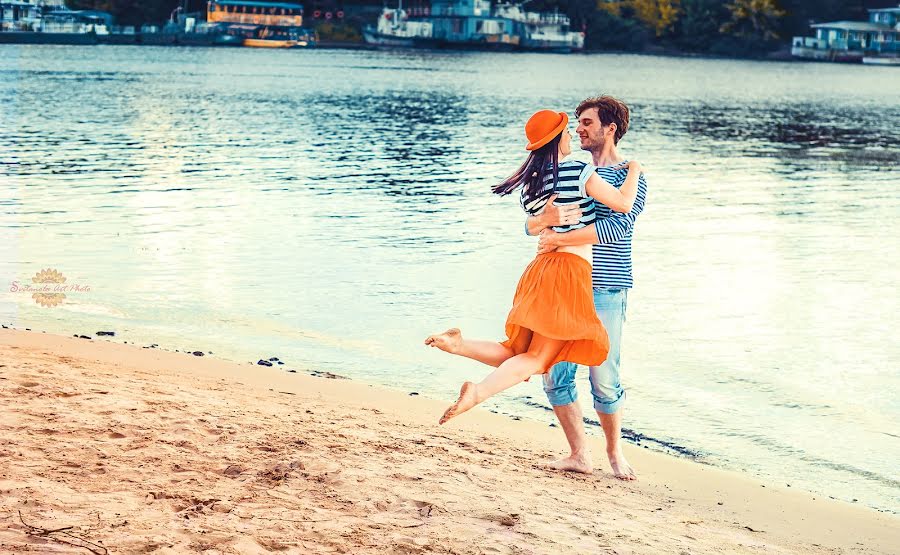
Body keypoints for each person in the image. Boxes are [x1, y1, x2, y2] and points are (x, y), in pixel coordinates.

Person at [425, 109, 642, 426]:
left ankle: (459, 344)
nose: (571, 136)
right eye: (567, 131)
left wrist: (548, 226)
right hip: (568, 272)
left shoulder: (531, 182)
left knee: (521, 351)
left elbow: (535, 225)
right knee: (538, 359)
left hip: (540, 269)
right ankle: (477, 392)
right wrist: (634, 170)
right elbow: (623, 205)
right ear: (557, 138)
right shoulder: (578, 171)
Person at [527, 96, 648, 481]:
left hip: (607, 287)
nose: (578, 129)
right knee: (555, 375)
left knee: (604, 377)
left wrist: (558, 240)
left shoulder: (629, 175)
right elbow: (535, 220)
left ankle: (614, 453)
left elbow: (617, 228)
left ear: (610, 128)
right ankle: (579, 453)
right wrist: (543, 230)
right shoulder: (564, 168)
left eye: (586, 122)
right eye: (576, 123)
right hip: (562, 287)